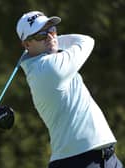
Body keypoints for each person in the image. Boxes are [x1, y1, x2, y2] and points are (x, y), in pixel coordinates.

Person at [16, 11, 123, 168]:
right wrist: (56, 41)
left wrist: (50, 40)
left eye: (52, 30)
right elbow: (86, 41)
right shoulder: (49, 68)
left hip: (106, 157)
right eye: (41, 35)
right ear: (26, 44)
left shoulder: (42, 65)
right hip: (79, 161)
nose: (50, 37)